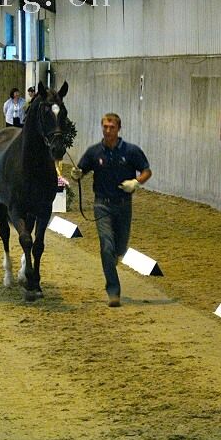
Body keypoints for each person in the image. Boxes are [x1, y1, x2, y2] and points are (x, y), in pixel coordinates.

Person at [71, 113, 152, 307]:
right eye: (105, 127)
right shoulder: (94, 152)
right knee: (106, 245)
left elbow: (147, 171)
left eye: (111, 127)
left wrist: (136, 182)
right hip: (102, 205)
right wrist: (76, 174)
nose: (108, 131)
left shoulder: (131, 151)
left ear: (118, 128)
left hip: (124, 205)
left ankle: (113, 258)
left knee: (120, 247)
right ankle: (113, 291)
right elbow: (80, 171)